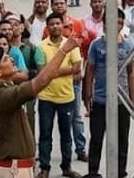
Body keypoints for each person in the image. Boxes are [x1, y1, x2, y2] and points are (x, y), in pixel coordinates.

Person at [0, 33, 84, 178]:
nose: (12, 59)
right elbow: (42, 80)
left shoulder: (4, 87)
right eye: (5, 59)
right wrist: (64, 50)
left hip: (16, 169)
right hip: (11, 171)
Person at [82, 8, 134, 178]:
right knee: (96, 139)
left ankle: (120, 172)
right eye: (113, 21)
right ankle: (93, 172)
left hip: (122, 101)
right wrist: (88, 95)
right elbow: (90, 71)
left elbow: (132, 72)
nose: (116, 25)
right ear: (105, 24)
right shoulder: (96, 45)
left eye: (120, 22)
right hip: (100, 101)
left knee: (122, 139)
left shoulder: (128, 45)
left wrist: (132, 99)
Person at [35, 13, 84, 178]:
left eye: (58, 23)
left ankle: (66, 167)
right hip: (46, 98)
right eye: (52, 24)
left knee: (66, 136)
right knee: (45, 135)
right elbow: (41, 72)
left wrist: (52, 71)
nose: (55, 26)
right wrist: (60, 71)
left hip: (66, 97)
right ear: (47, 27)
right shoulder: (41, 47)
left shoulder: (71, 44)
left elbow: (77, 68)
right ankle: (44, 168)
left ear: (63, 25)